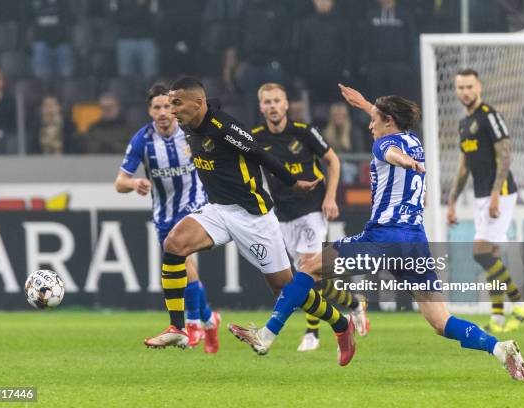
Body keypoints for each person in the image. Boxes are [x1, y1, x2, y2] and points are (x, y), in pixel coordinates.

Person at [300, 83, 524, 381]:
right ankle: (499, 348)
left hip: (384, 236)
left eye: (374, 119)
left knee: (308, 267)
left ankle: (282, 330)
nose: (371, 124)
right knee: (440, 322)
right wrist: (364, 104)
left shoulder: (386, 145)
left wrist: (402, 160)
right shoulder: (414, 140)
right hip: (416, 241)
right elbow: (388, 128)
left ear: (388, 122)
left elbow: (389, 149)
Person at [153, 77, 356, 366]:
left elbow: (259, 154)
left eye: (176, 103)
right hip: (219, 210)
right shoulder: (188, 124)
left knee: (285, 291)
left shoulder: (223, 127)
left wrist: (292, 182)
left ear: (198, 103)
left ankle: (340, 325)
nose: (172, 109)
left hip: (254, 216)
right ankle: (178, 327)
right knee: (174, 243)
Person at [253, 82, 369, 352]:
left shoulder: (304, 133)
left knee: (307, 268)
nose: (272, 106)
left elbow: (334, 161)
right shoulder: (256, 137)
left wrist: (330, 197)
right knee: (309, 279)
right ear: (261, 107)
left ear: (285, 104)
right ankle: (353, 303)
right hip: (282, 215)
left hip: (312, 210)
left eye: (276, 101)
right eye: (267, 102)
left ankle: (311, 332)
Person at [115, 83, 220, 352]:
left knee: (185, 266)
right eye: (157, 107)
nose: (163, 112)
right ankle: (210, 319)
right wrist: (134, 183)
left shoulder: (189, 131)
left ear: (174, 108)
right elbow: (119, 182)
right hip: (164, 214)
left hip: (196, 206)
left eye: (167, 106)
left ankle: (193, 324)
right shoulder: (143, 139)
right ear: (149, 111)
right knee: (185, 268)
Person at [448, 69, 524, 333]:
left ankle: (521, 304)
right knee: (491, 255)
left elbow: (505, 156)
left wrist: (496, 194)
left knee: (481, 251)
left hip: (501, 191)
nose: (465, 92)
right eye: (460, 87)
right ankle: (497, 316)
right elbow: (464, 168)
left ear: (479, 87)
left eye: (469, 87)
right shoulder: (464, 124)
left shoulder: (490, 116)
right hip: (481, 194)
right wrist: (451, 202)